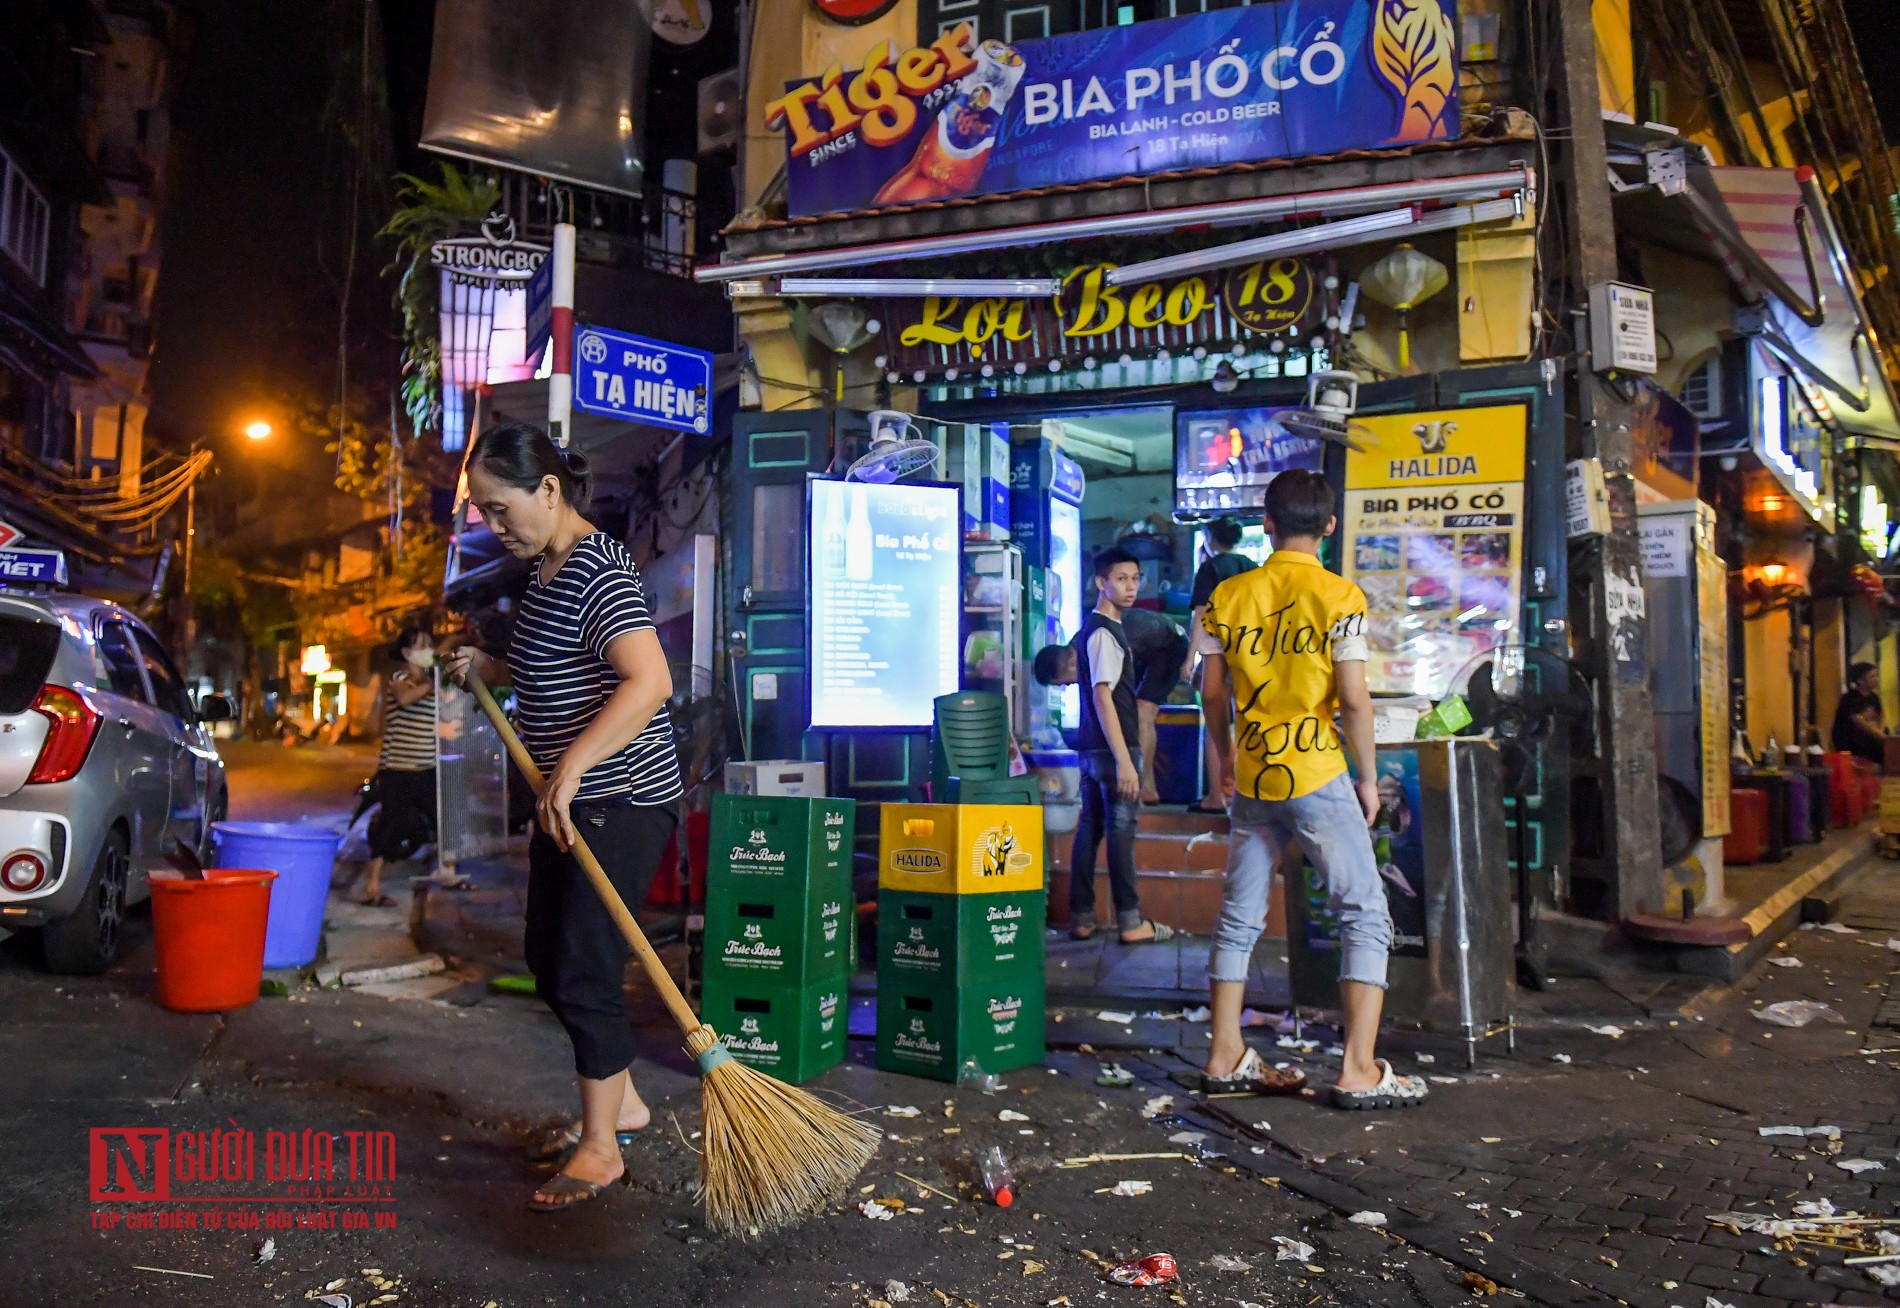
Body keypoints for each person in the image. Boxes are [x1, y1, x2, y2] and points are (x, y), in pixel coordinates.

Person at [443, 421, 683, 1212]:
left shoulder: (599, 569)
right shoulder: (546, 575)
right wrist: (490, 665)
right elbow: (553, 665)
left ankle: (602, 1148)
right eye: (482, 512)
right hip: (569, 800)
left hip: (618, 797)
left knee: (582, 964)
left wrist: (572, 768)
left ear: (549, 491)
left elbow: (648, 682)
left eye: (501, 507)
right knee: (547, 957)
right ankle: (625, 1101)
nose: (494, 524)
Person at [1197, 469, 1427, 1109]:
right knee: (1365, 913)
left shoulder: (1227, 597)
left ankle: (1223, 1054)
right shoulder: (1341, 597)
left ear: (1266, 524)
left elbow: (1212, 693)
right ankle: (1358, 1068)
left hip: (1254, 772)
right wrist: (1366, 776)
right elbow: (1353, 701)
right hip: (1317, 771)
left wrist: (1225, 758)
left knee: (1240, 914)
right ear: (1328, 526)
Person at [1045, 547, 1175, 944]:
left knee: (1092, 829)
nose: (1131, 586)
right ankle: (1131, 922)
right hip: (1111, 748)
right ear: (1101, 583)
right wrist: (1124, 760)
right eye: (1121, 578)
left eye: (1135, 578)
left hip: (1092, 748)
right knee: (1121, 832)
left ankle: (1083, 918)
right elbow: (1104, 696)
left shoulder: (1093, 630)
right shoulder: (1103, 632)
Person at [1034, 606, 1187, 805]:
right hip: (1142, 652)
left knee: (1142, 716)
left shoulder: (1096, 647)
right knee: (1125, 717)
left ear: (1071, 664)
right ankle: (1145, 788)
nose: (1070, 686)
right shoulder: (1081, 651)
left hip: (1168, 643)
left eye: (1065, 682)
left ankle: (1142, 789)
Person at [359, 624, 438, 907]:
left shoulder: (431, 683)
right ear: (406, 652)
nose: (429, 650)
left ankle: (449, 872)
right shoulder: (400, 679)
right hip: (398, 768)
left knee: (444, 818)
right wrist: (433, 684)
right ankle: (372, 887)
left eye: (430, 644)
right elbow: (404, 698)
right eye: (422, 645)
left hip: (426, 767)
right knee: (389, 826)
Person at [1187, 517, 1258, 813]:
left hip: (1218, 651)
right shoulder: (1253, 568)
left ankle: (1216, 796)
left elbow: (1201, 616)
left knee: (1216, 719)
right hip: (1252, 653)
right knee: (1245, 723)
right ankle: (1244, 795)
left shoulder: (1210, 568)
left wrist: (1190, 657)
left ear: (1208, 538)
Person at [1832, 661, 1887, 765]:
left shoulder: (1874, 697)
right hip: (1852, 741)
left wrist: (1881, 729)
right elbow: (1858, 720)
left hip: (1870, 736)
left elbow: (1882, 715)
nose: (1876, 679)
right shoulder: (1850, 698)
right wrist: (1878, 734)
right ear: (1860, 680)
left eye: (1876, 675)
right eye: (1872, 676)